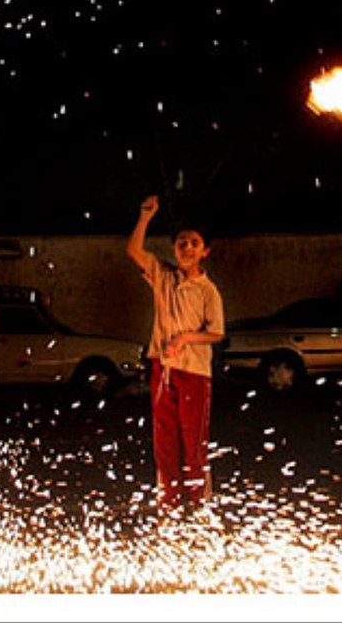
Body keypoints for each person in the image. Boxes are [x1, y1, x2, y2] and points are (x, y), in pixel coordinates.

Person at [126, 195, 225, 518]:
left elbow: (216, 332)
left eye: (194, 243)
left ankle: (198, 505)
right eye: (182, 242)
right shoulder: (163, 275)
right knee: (165, 442)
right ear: (174, 248)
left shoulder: (207, 290)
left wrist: (184, 338)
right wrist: (144, 218)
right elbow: (134, 252)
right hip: (162, 368)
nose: (187, 247)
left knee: (192, 441)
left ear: (204, 251)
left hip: (194, 372)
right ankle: (168, 504)